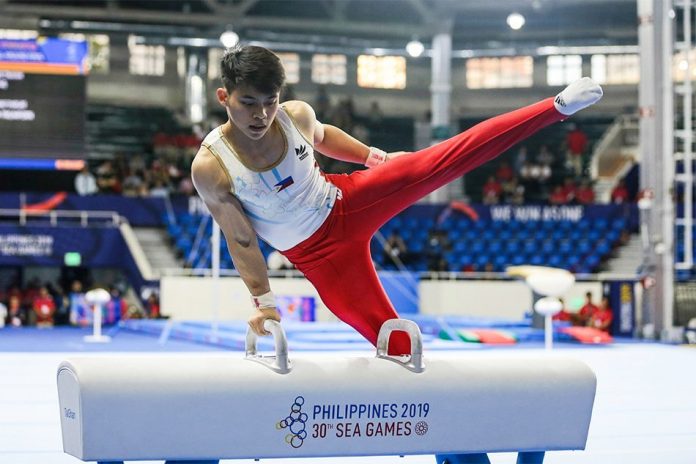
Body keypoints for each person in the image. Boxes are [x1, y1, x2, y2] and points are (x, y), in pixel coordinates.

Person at [190, 45, 603, 354]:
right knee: (398, 344)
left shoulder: (294, 114)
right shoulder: (212, 167)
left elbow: (324, 136)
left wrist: (377, 159)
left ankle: (556, 107)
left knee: (448, 157)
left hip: (347, 200)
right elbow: (242, 241)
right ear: (224, 97)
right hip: (320, 259)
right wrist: (264, 304)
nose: (261, 115)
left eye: (270, 101)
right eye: (249, 103)